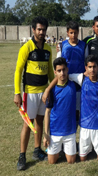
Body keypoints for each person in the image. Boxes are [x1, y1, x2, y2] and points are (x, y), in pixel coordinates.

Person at [14, 16, 53, 170]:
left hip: (43, 92)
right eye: (39, 29)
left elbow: (50, 71)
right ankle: (22, 156)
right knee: (27, 124)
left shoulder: (48, 49)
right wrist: (17, 93)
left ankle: (37, 151)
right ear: (33, 30)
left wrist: (52, 89)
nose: (41, 32)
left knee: (39, 121)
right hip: (29, 93)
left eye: (43, 29)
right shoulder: (26, 48)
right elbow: (18, 71)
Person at [43, 57, 77, 164]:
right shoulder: (52, 91)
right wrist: (46, 134)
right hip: (55, 132)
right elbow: (47, 112)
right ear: (55, 72)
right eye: (59, 71)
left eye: (63, 70)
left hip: (69, 131)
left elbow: (88, 75)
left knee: (71, 161)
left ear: (67, 70)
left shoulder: (73, 84)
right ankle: (57, 149)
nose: (62, 73)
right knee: (51, 162)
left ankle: (65, 148)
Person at [57, 21, 86, 121]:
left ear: (78, 32)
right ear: (67, 33)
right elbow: (58, 63)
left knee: (77, 110)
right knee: (67, 108)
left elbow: (86, 62)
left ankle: (75, 132)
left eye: (75, 33)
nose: (73, 35)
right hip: (66, 80)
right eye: (71, 33)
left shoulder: (83, 45)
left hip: (79, 81)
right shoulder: (62, 45)